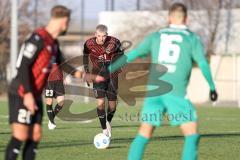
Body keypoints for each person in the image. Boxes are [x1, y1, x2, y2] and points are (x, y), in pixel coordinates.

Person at [109, 3, 218, 160]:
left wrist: (110, 68)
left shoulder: (156, 36)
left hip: (154, 92)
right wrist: (212, 87)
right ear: (186, 19)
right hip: (176, 92)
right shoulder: (191, 38)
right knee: (192, 134)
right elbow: (202, 63)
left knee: (144, 133)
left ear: (169, 18)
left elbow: (134, 53)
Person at [5, 5, 104, 160]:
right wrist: (28, 95)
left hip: (35, 95)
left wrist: (83, 75)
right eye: (68, 22)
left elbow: (63, 64)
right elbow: (23, 66)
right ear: (64, 21)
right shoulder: (37, 39)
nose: (67, 25)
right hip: (21, 92)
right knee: (20, 135)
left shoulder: (53, 43)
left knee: (35, 135)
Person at [83, 24, 123, 137]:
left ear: (107, 35)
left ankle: (108, 121)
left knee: (112, 106)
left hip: (113, 75)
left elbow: (122, 55)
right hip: (97, 76)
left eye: (104, 36)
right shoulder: (89, 43)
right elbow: (85, 56)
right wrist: (86, 71)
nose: (101, 38)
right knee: (100, 103)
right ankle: (104, 129)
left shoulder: (114, 42)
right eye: (99, 36)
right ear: (95, 34)